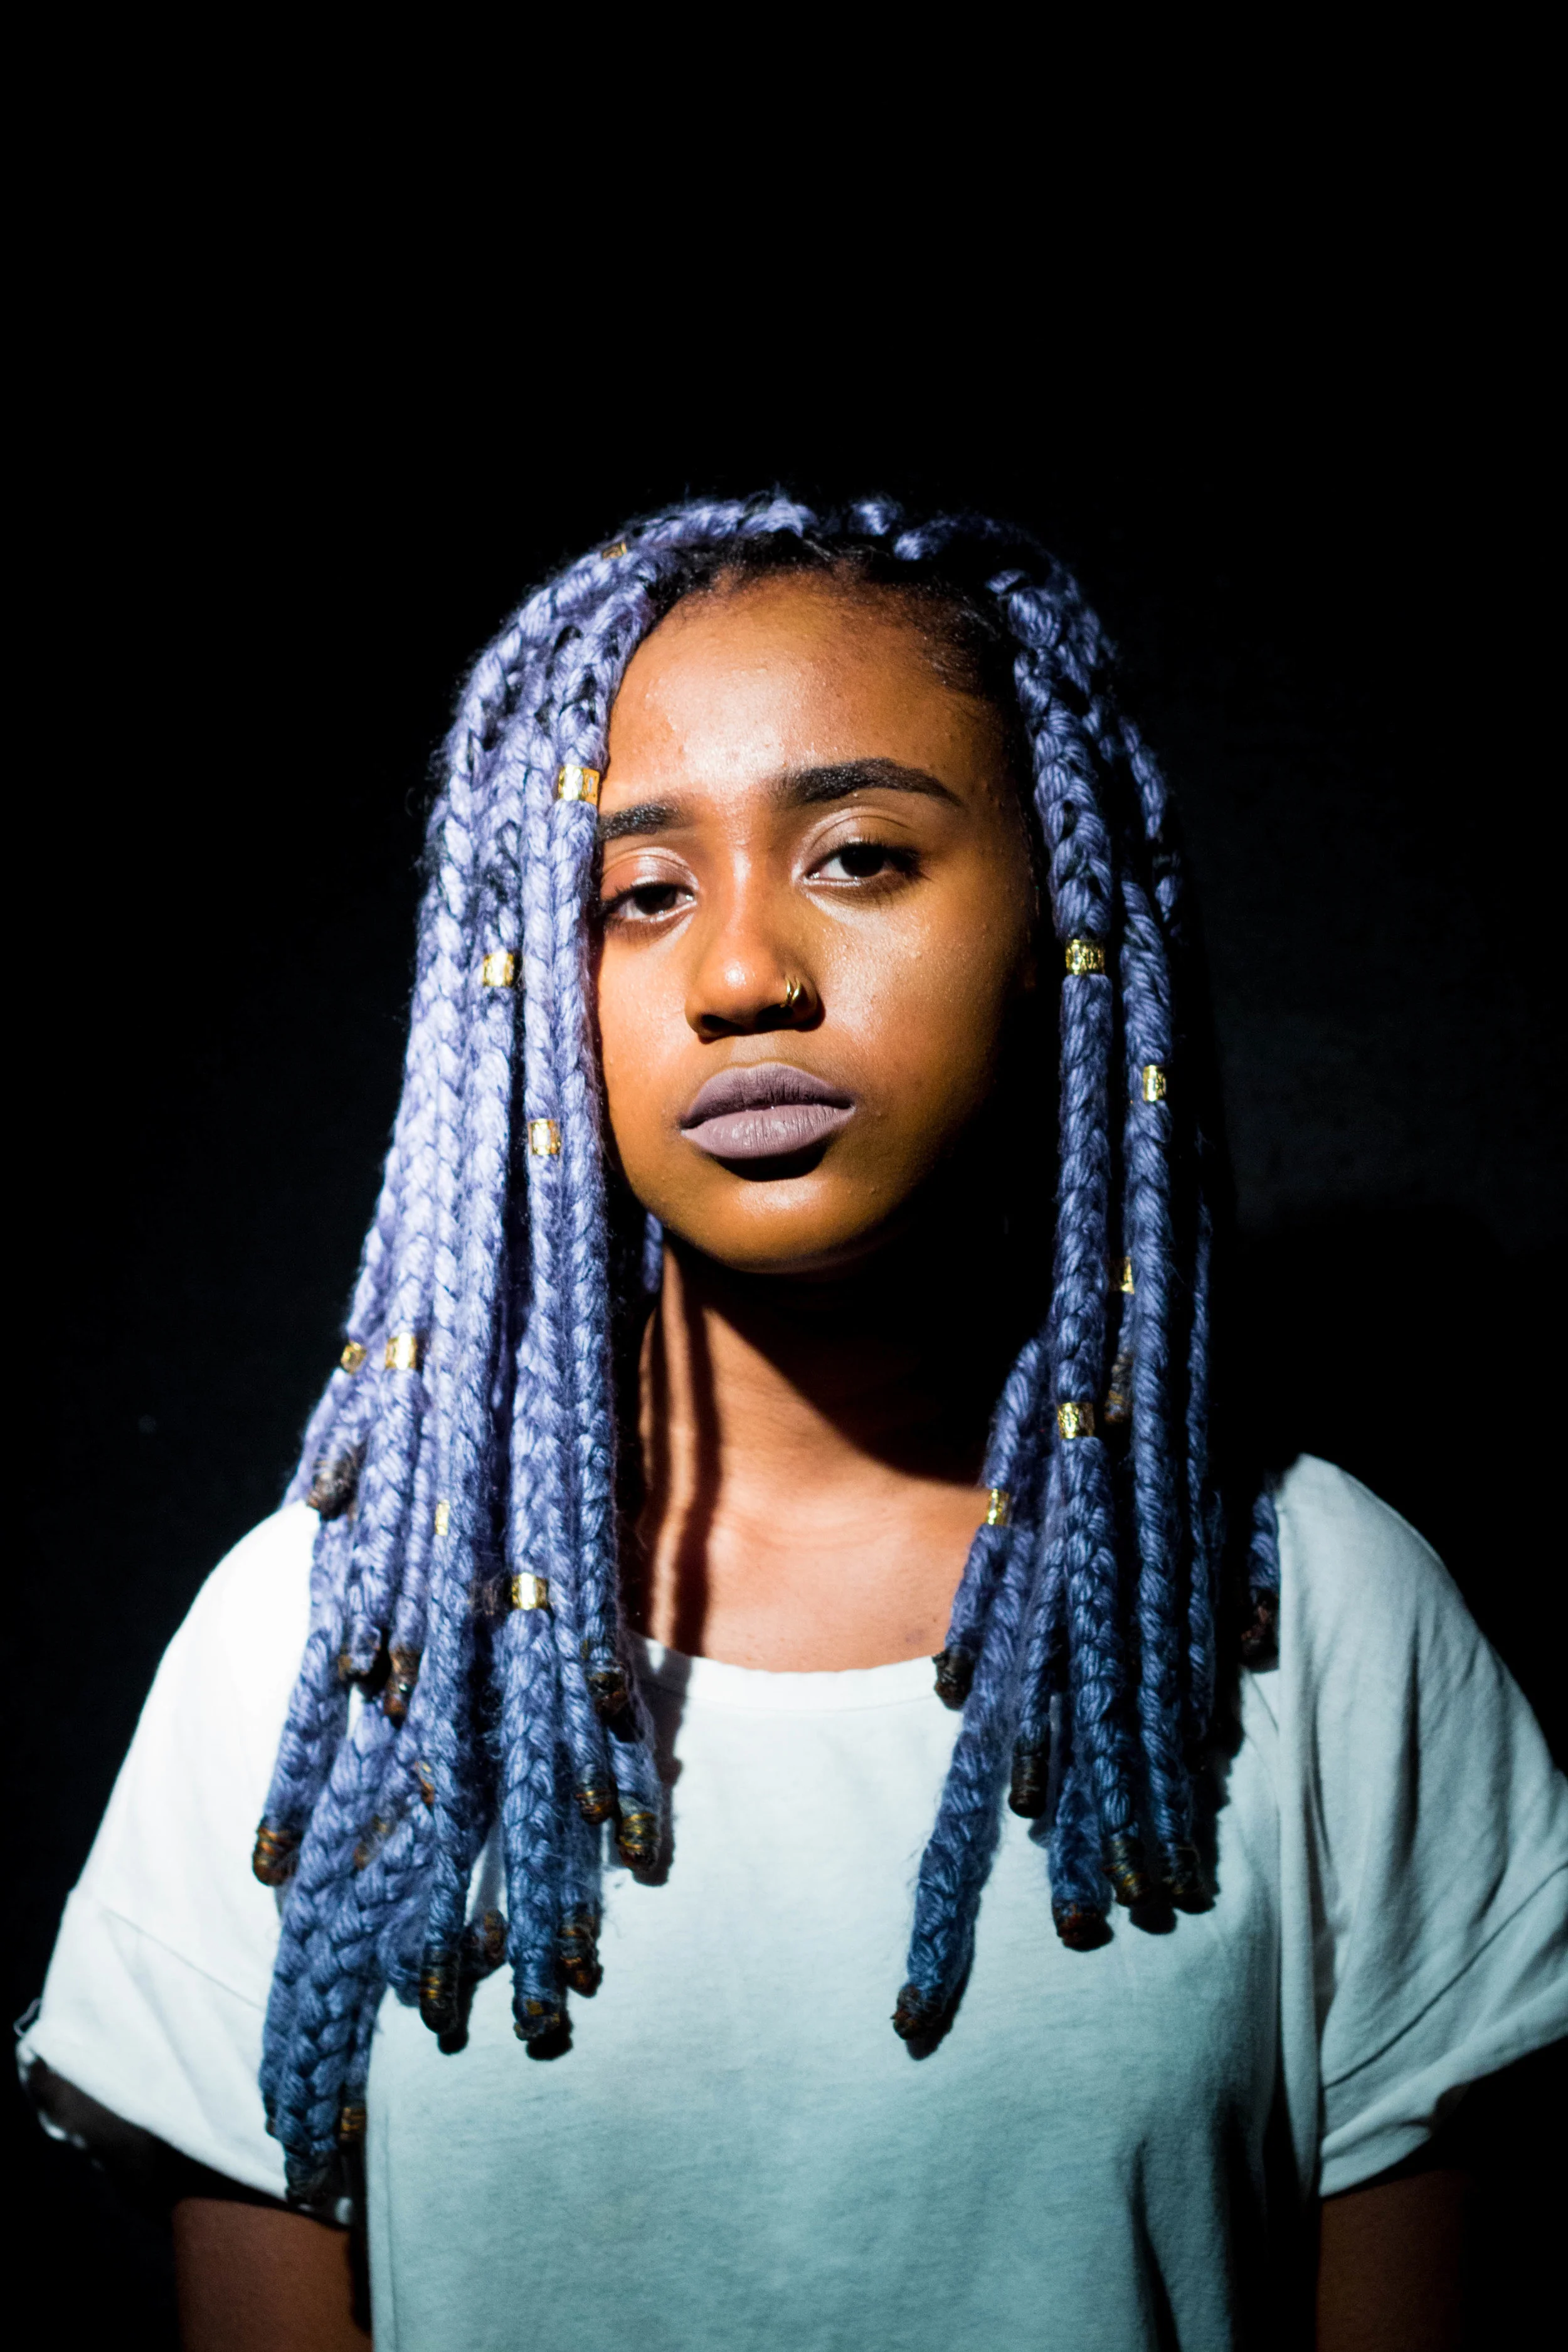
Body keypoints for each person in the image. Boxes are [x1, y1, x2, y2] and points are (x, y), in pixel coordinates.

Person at [21, 497, 1567, 2351]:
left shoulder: (1322, 1621)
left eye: (859, 855)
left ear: (1059, 921)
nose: (743, 974)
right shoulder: (329, 1656)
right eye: (641, 893)